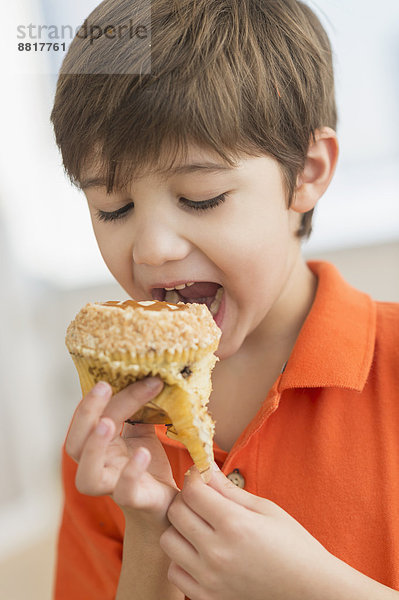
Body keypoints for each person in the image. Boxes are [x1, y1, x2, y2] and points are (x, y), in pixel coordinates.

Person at [50, 1, 399, 599]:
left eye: (202, 197)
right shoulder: (113, 434)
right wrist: (148, 535)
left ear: (308, 172)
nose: (153, 249)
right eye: (113, 207)